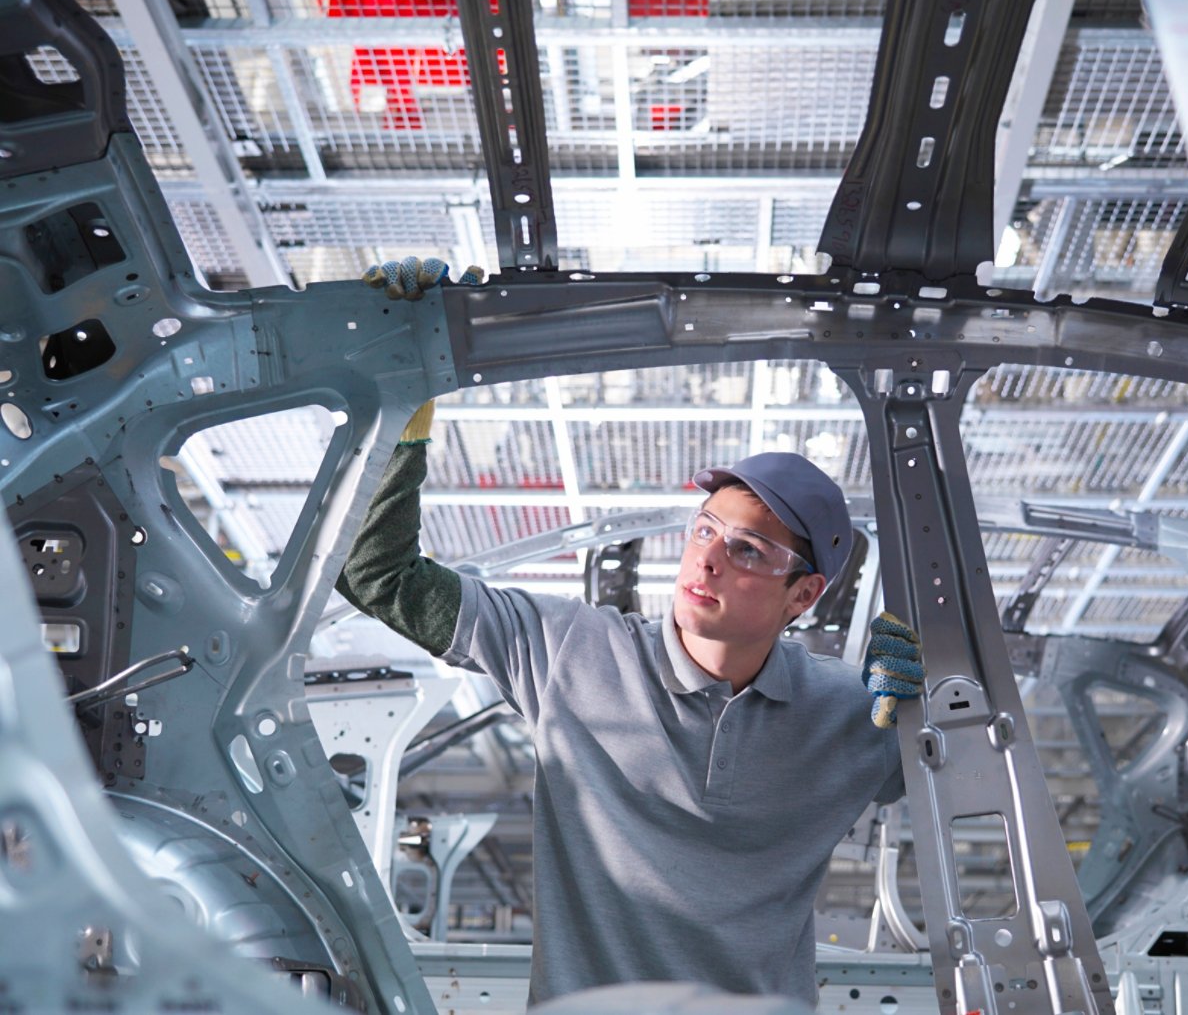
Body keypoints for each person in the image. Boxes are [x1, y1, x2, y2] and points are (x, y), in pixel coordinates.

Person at [337, 260, 925, 1007]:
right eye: (705, 529)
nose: (706, 556)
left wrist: (937, 696)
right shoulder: (569, 652)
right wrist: (396, 394)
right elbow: (375, 575)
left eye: (747, 549)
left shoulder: (852, 714)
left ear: (802, 595)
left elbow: (986, 774)